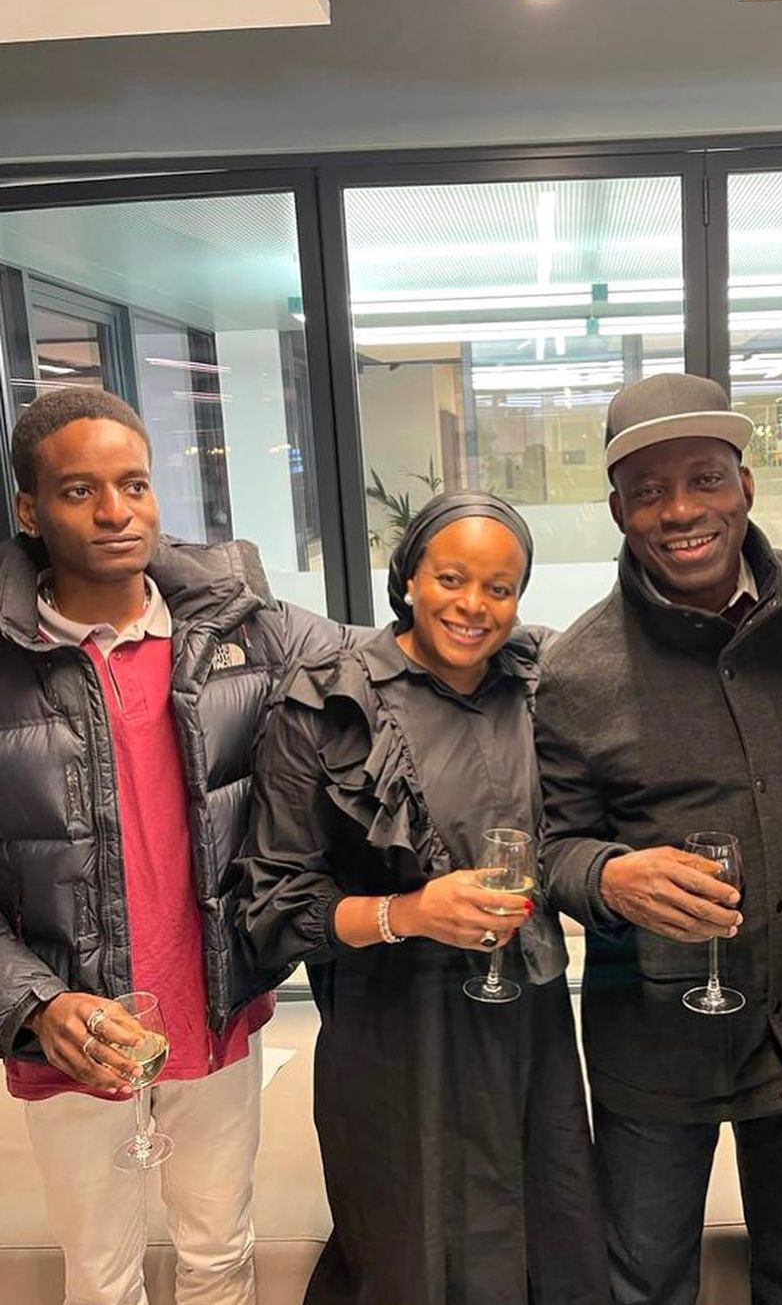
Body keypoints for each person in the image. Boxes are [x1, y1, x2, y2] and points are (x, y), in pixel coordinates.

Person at [0, 387, 351, 1305]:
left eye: (135, 484)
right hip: (73, 1032)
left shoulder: (243, 630)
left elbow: (392, 659)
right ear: (30, 509)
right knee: (102, 1276)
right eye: (80, 491)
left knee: (218, 1252)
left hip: (215, 1007)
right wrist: (37, 1006)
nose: (118, 512)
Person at [534, 372, 782, 1305]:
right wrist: (610, 874)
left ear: (746, 485)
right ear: (617, 510)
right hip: (656, 1040)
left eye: (704, 479)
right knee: (645, 1278)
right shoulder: (576, 670)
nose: (679, 511)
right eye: (648, 491)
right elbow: (552, 846)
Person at [234, 491, 610, 1305]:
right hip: (391, 1034)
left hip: (527, 1029)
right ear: (408, 578)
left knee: (544, 1227)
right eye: (451, 577)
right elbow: (270, 902)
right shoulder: (328, 700)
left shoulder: (543, 686)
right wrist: (405, 913)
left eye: (500, 587)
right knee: (409, 1248)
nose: (474, 605)